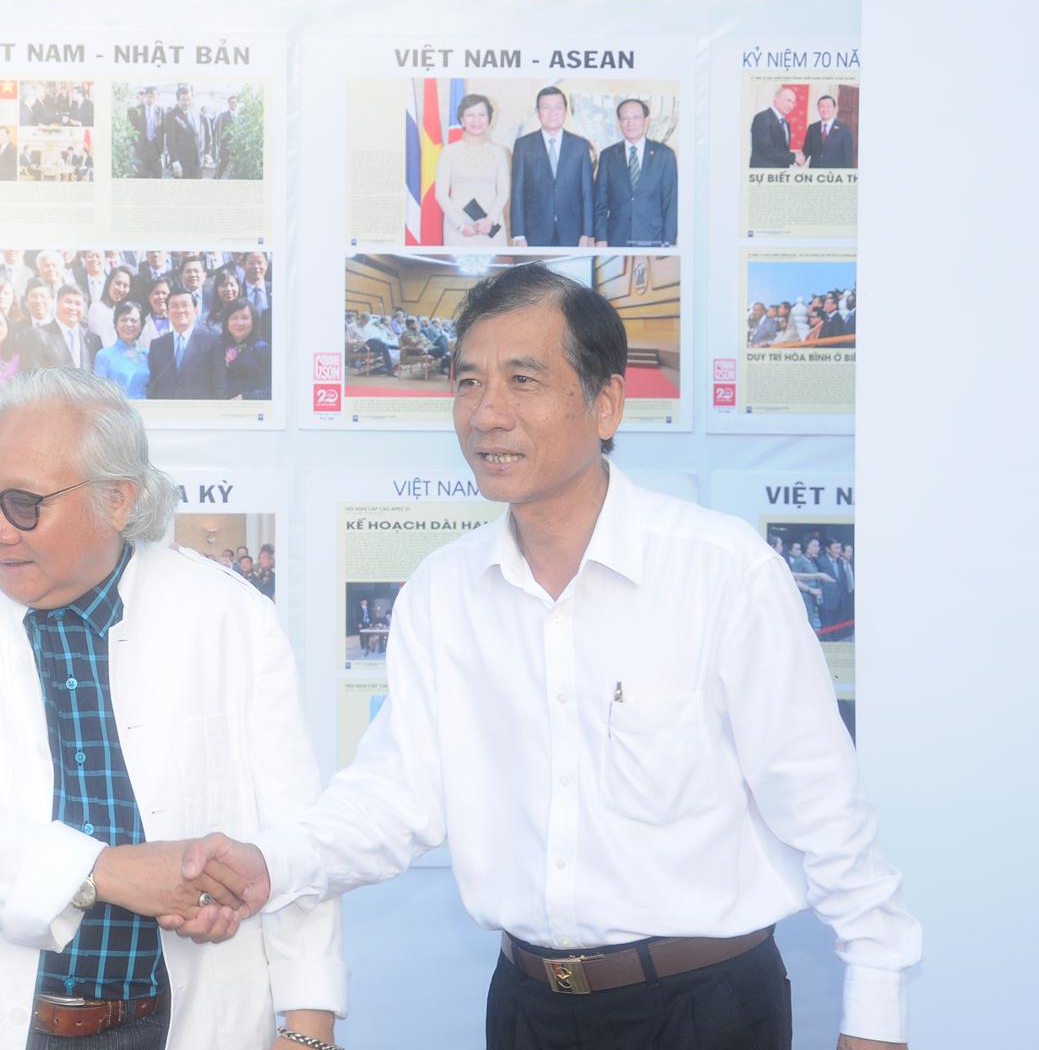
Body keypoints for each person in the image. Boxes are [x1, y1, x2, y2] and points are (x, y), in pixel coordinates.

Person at [180, 263, 919, 1050]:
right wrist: (268, 862)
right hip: (527, 1007)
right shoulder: (443, 591)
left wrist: (874, 1018)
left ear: (605, 404)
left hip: (703, 1010)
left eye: (522, 380)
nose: (486, 413)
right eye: (468, 382)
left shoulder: (719, 572)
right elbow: (396, 797)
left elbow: (819, 804)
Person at [0, 367, 341, 1048]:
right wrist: (108, 873)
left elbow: (291, 832)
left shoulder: (229, 615)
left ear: (116, 500)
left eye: (24, 504)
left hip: (182, 1019)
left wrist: (309, 1022)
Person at [509, 87, 595, 248]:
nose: (552, 112)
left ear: (565, 111)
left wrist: (587, 233)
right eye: (546, 107)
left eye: (558, 107)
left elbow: (587, 192)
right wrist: (518, 234)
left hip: (573, 232)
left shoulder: (580, 146)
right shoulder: (523, 145)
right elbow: (517, 192)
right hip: (533, 232)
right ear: (537, 112)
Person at [594, 98, 678, 248]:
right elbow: (600, 201)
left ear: (646, 121)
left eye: (636, 117)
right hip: (616, 237)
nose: (630, 123)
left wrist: (668, 242)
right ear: (619, 123)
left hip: (653, 237)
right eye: (625, 118)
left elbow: (670, 203)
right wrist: (600, 237)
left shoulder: (664, 155)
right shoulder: (607, 156)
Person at [434, 93, 510, 245]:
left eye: (482, 115)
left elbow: (504, 192)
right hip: (458, 227)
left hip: (491, 226)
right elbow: (440, 194)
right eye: (470, 115)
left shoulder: (499, 152)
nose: (476, 120)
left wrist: (490, 220)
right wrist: (461, 225)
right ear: (462, 120)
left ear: (489, 119)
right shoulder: (448, 152)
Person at [146, 290, 226, 401]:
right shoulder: (157, 345)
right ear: (167, 312)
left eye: (185, 305)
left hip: (198, 409)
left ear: (196, 310)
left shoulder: (212, 342)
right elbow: (153, 385)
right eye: (174, 306)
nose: (180, 310)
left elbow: (219, 384)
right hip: (166, 409)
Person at [92, 301, 150, 400]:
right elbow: (99, 394)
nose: (128, 324)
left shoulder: (148, 355)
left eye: (133, 320)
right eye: (124, 320)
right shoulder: (104, 356)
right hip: (117, 408)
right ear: (116, 325)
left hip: (147, 408)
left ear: (141, 326)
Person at [219, 300, 270, 400]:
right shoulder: (216, 347)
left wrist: (247, 398)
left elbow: (276, 388)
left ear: (253, 321)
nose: (240, 323)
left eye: (245, 318)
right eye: (234, 318)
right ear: (226, 322)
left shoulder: (263, 349)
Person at [750, 85, 801, 168]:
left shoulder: (786, 122)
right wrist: (794, 157)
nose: (791, 106)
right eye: (788, 101)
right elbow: (767, 150)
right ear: (776, 98)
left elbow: (782, 149)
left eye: (793, 103)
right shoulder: (762, 117)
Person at [802, 94, 857, 168]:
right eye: (822, 106)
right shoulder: (812, 128)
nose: (825, 110)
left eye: (828, 106)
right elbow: (806, 151)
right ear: (818, 108)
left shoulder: (844, 129)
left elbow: (848, 157)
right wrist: (797, 159)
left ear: (835, 108)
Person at [160, 84, 203, 178]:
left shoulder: (195, 113)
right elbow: (170, 141)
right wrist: (175, 162)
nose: (186, 103)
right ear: (177, 100)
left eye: (188, 99)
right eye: (183, 100)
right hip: (181, 163)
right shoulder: (171, 115)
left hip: (196, 161)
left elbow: (197, 134)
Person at [87, 264, 135, 348]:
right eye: (118, 283)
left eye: (125, 285)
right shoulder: (97, 308)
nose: (121, 289)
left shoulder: (126, 311)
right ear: (109, 282)